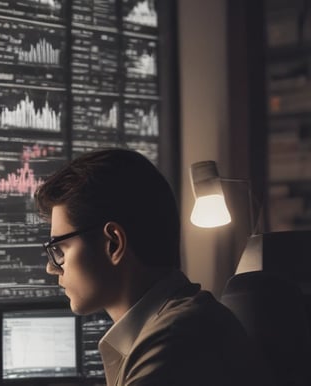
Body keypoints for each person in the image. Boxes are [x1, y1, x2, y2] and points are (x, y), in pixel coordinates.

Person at [34, 149, 272, 386]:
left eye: (59, 250)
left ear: (113, 244)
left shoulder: (174, 342)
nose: (51, 268)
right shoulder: (172, 325)